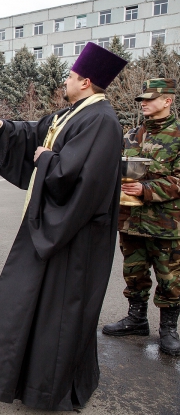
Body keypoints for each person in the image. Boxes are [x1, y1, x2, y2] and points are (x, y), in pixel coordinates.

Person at [0, 42, 128, 411]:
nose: (64, 81)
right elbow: (39, 131)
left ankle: (50, 389)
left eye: (69, 76)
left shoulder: (101, 120)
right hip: (55, 227)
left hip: (73, 235)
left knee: (60, 313)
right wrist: (2, 126)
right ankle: (29, 380)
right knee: (34, 306)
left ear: (85, 81)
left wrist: (47, 159)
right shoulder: (76, 112)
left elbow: (78, 176)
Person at [102, 78, 180, 356]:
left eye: (149, 99)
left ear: (167, 101)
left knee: (170, 278)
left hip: (167, 223)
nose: (144, 103)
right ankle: (136, 319)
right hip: (131, 221)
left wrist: (146, 188)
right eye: (142, 100)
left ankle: (169, 330)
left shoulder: (178, 136)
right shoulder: (131, 135)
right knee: (133, 273)